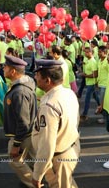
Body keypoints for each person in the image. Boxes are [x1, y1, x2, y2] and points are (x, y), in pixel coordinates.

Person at [32, 59, 80, 188]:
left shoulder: (49, 105)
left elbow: (46, 144)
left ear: (47, 80)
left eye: (37, 75)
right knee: (68, 183)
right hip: (70, 148)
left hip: (58, 158)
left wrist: (37, 174)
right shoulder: (68, 93)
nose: (35, 77)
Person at [3, 55, 37, 187]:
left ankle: (34, 184)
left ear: (13, 71)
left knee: (15, 160)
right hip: (28, 134)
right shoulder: (22, 84)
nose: (3, 68)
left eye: (5, 67)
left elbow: (23, 121)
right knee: (31, 159)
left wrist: (16, 144)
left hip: (22, 136)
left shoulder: (19, 91)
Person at [80, 47, 100, 121]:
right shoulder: (88, 60)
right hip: (88, 82)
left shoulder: (93, 62)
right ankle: (101, 107)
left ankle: (85, 114)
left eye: (88, 52)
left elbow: (95, 74)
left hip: (92, 83)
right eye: (85, 52)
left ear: (92, 53)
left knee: (87, 99)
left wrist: (85, 75)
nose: (86, 53)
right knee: (95, 97)